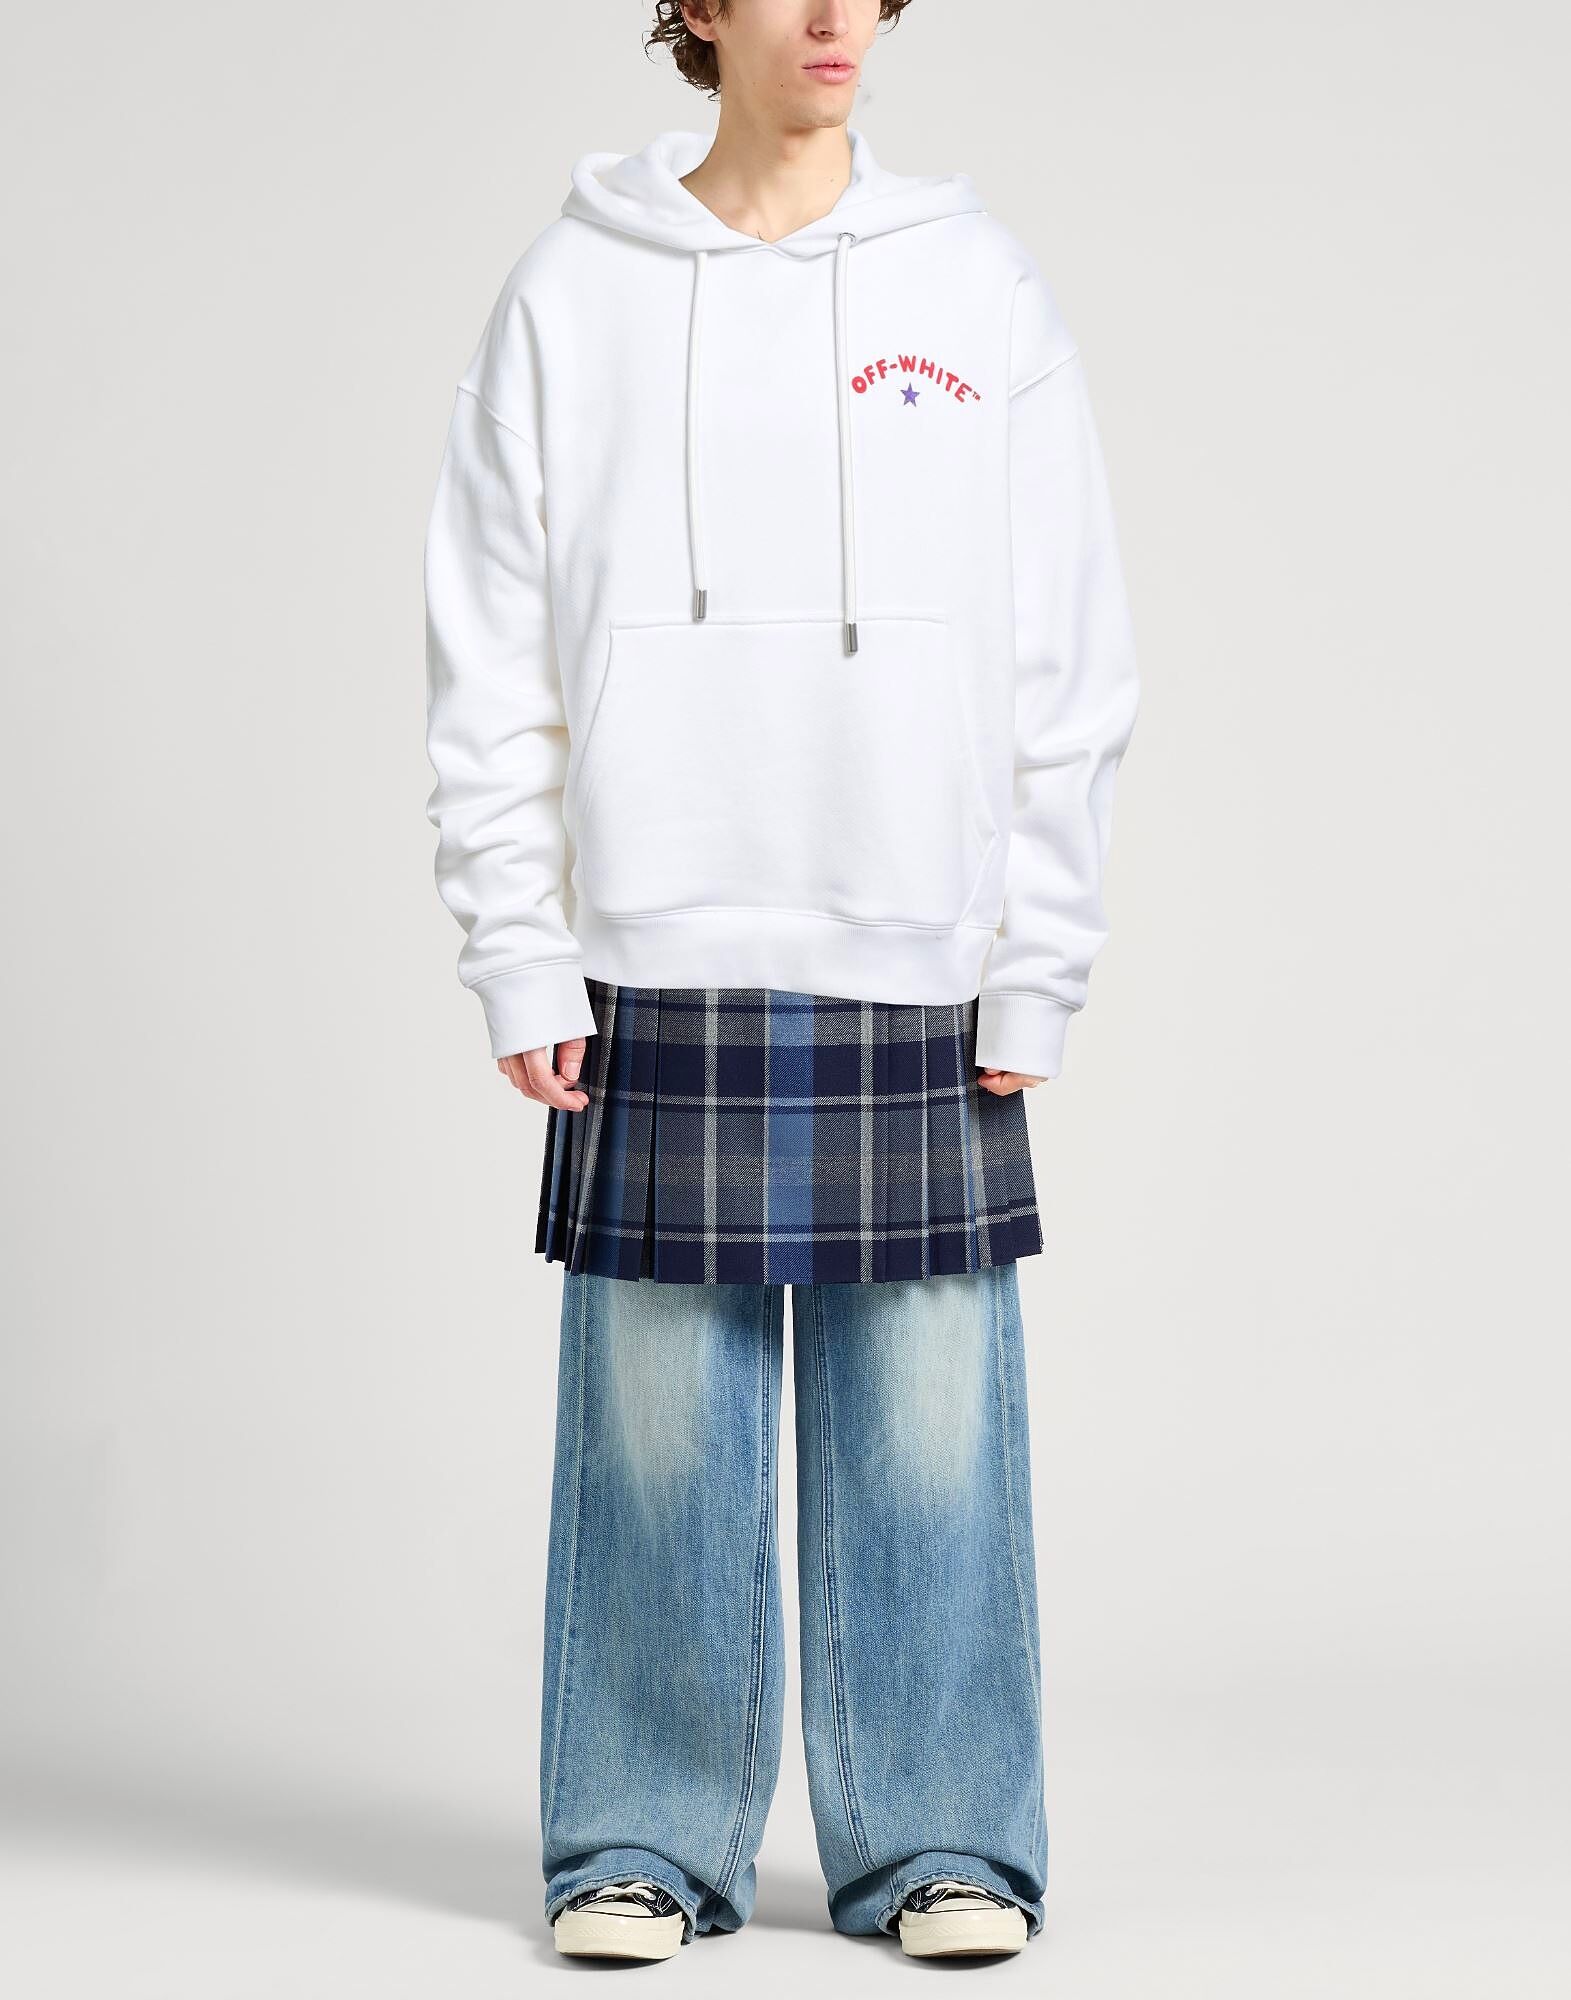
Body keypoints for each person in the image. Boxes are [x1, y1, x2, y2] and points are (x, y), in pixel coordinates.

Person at [422, 0, 1138, 1965]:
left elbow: (1068, 648)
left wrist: (1041, 957)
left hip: (919, 937)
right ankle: (637, 1839)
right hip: (655, 935)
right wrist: (517, 942)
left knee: (935, 1433)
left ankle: (946, 1841)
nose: (835, 14)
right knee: (654, 1439)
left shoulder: (977, 285)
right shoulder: (570, 292)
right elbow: (490, 645)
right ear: (695, 9)